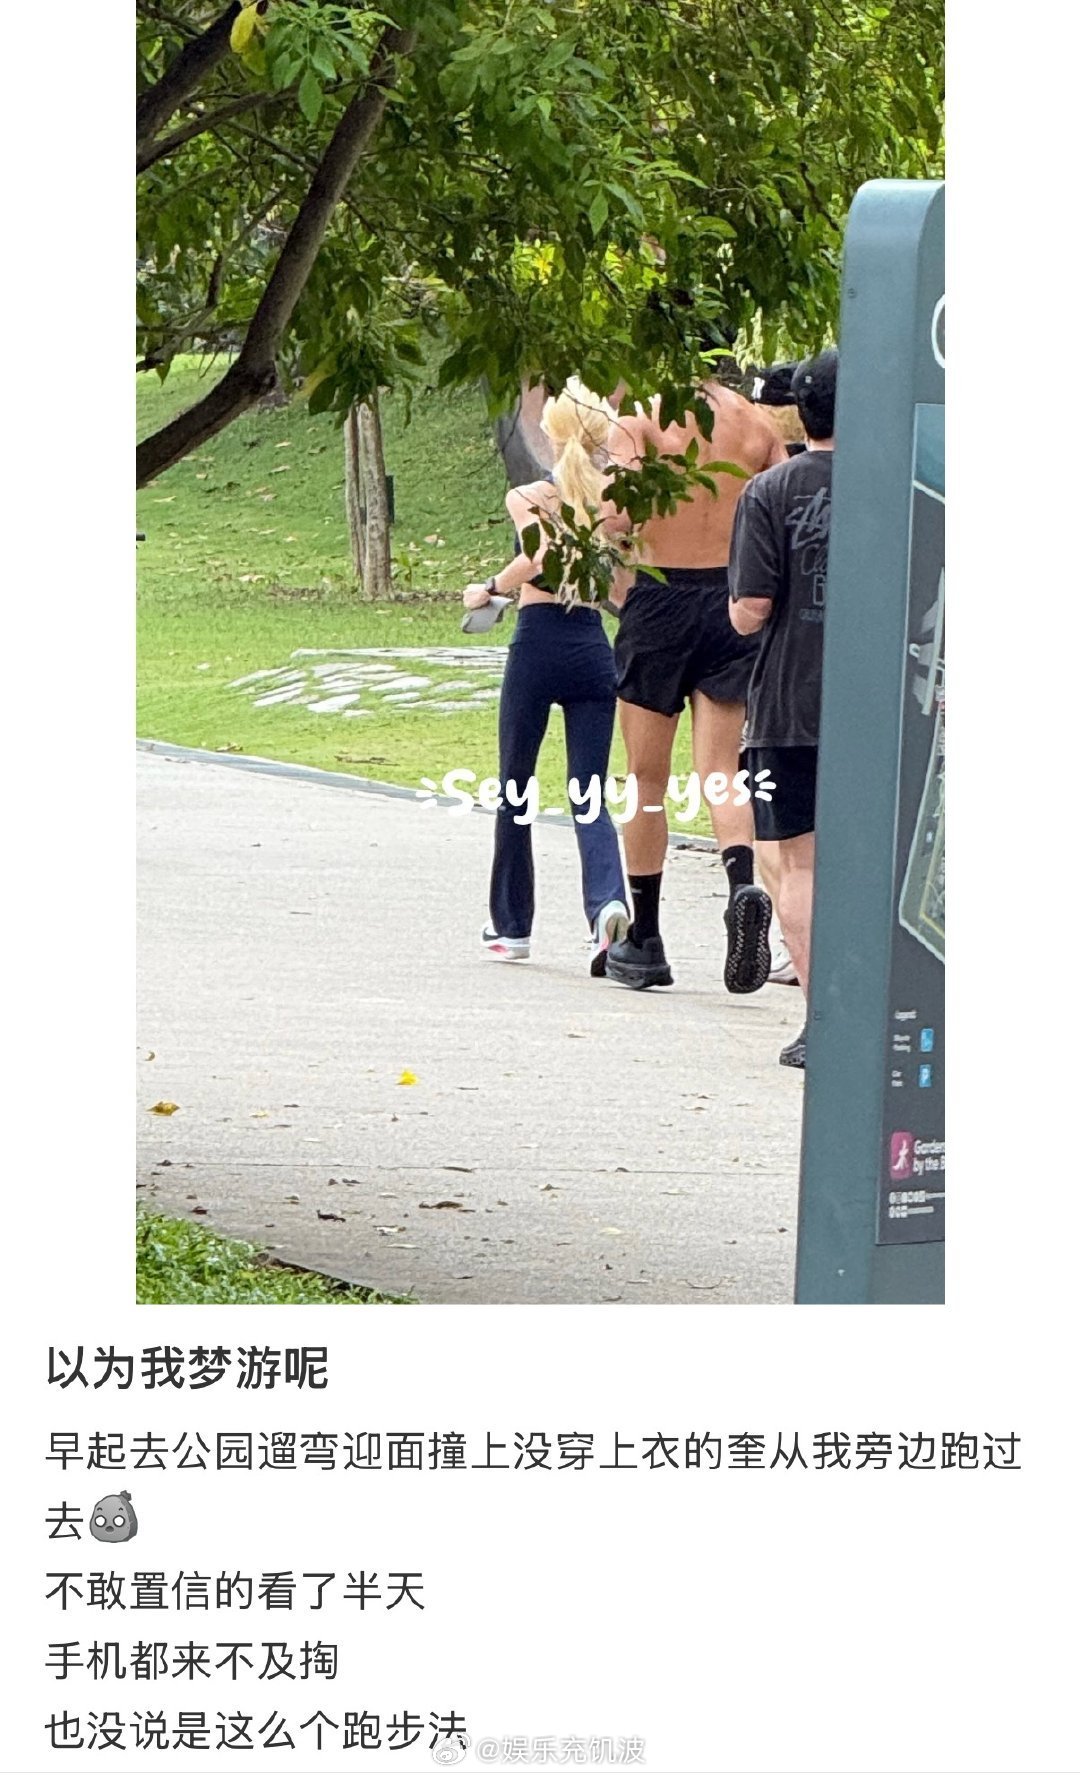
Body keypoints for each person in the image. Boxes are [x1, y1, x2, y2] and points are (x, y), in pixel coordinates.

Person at [600, 380, 788, 992]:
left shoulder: (640, 420)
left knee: (645, 776)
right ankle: (741, 887)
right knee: (722, 771)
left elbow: (613, 517)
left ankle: (646, 937)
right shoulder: (753, 422)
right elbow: (778, 512)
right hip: (729, 599)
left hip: (659, 594)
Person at [462, 379, 630, 975]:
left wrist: (489, 588)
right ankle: (607, 904)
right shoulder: (617, 505)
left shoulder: (529, 496)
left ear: (552, 436)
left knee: (516, 786)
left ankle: (512, 927)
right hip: (590, 644)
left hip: (537, 643)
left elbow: (538, 556)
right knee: (589, 791)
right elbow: (621, 587)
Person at [728, 347, 838, 1067]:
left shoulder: (769, 491)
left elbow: (750, 610)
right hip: (885, 707)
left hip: (792, 705)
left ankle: (822, 1021)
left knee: (799, 865)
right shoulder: (903, 485)